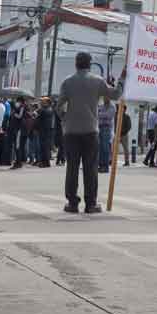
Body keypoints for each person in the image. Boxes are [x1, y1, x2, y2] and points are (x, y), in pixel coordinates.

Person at [58, 52, 124, 214]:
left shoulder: (67, 82)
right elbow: (115, 94)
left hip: (71, 131)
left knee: (72, 168)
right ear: (90, 64)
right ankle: (90, 203)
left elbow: (59, 106)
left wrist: (66, 119)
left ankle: (72, 203)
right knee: (90, 168)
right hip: (90, 130)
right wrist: (122, 80)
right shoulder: (97, 81)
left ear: (76, 64)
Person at [96, 96, 117, 174]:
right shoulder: (101, 106)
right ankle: (101, 165)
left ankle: (105, 166)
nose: (105, 99)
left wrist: (100, 113)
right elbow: (96, 114)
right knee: (100, 148)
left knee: (105, 147)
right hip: (99, 127)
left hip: (106, 128)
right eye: (104, 97)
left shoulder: (112, 106)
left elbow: (108, 115)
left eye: (106, 97)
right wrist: (101, 114)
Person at [36, 97, 56, 167]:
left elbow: (37, 114)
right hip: (45, 130)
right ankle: (45, 162)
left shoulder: (46, 110)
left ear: (47, 102)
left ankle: (44, 162)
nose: (42, 103)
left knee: (44, 147)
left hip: (45, 131)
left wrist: (39, 109)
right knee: (44, 147)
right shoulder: (47, 109)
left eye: (43, 102)